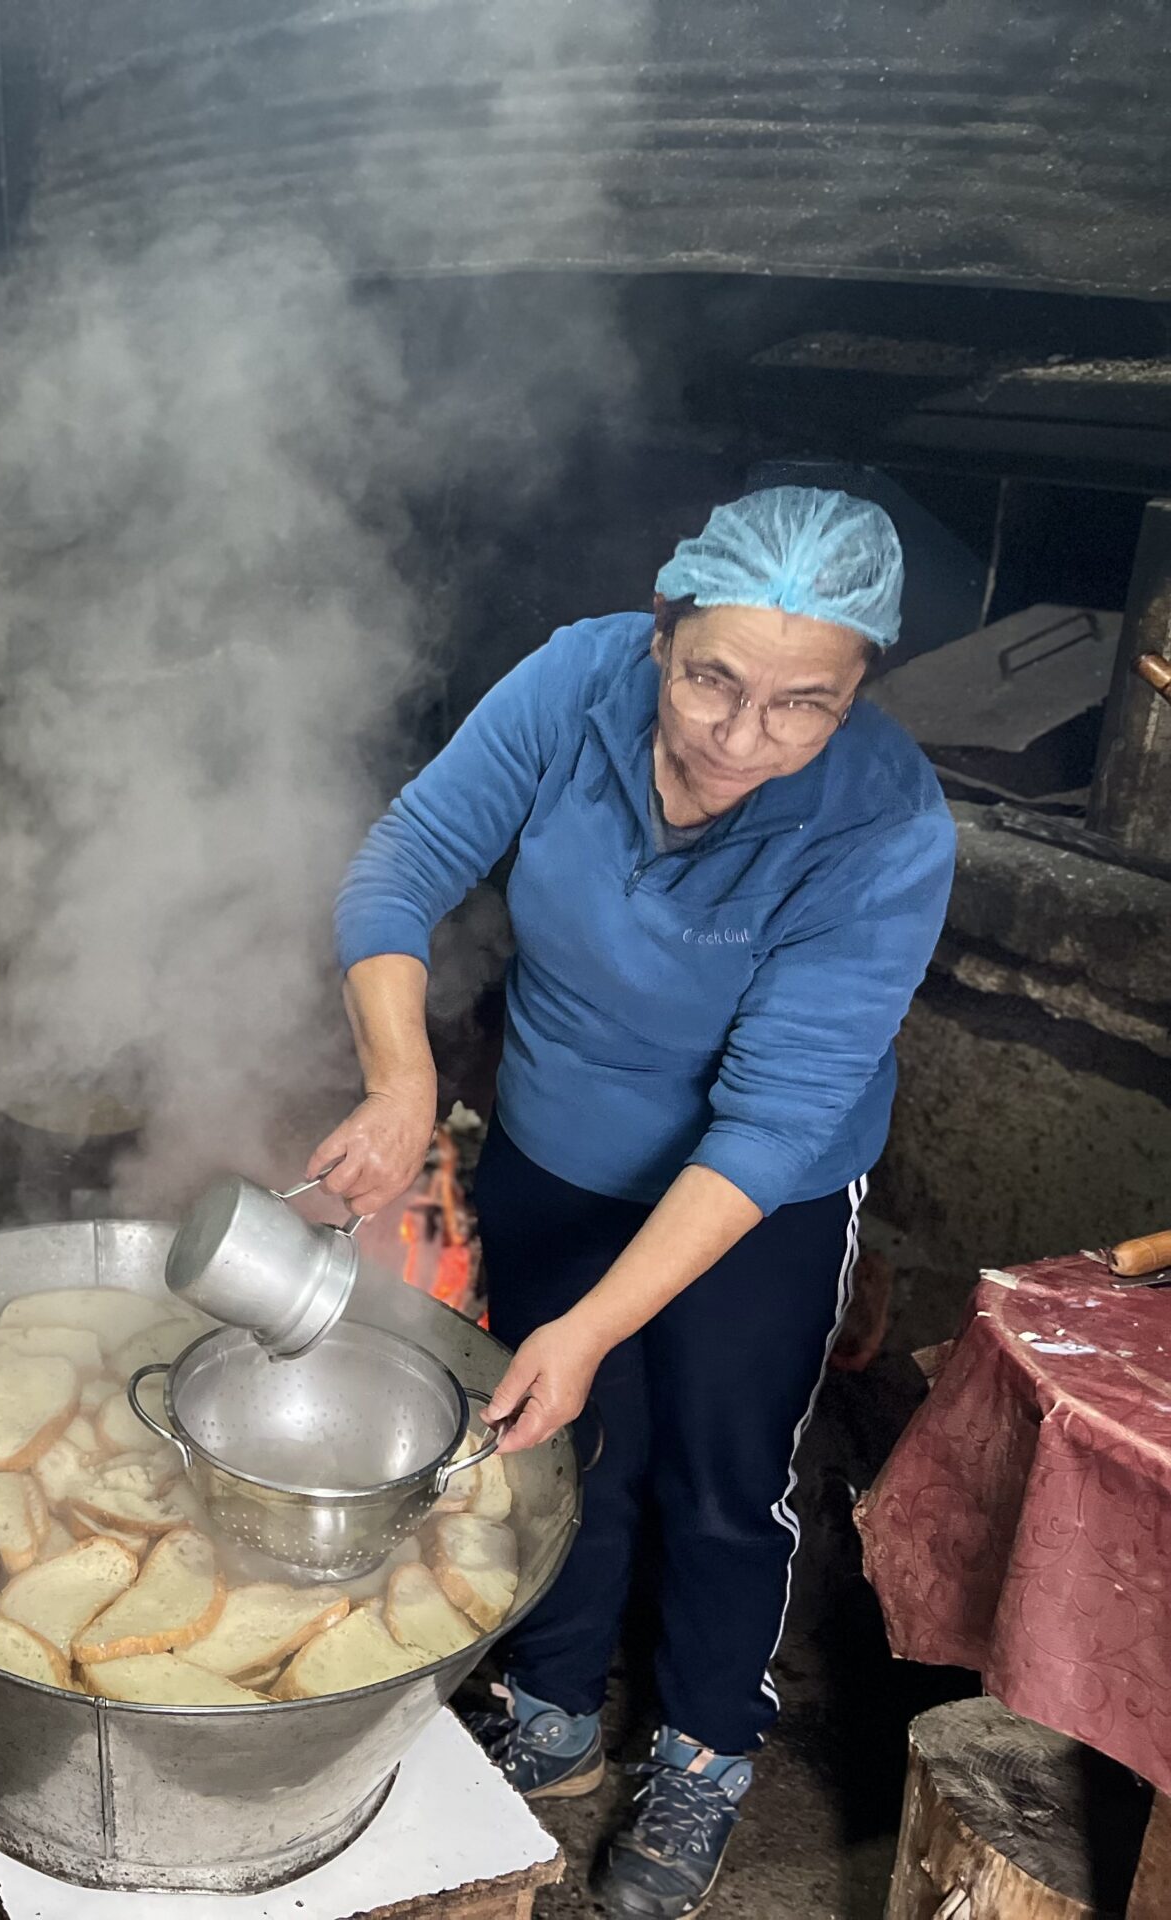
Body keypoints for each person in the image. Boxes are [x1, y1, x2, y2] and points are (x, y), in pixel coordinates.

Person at [310, 488, 954, 1918]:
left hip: (758, 1195)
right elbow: (405, 863)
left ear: (859, 697)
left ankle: (707, 1750)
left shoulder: (885, 826)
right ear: (660, 631)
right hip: (555, 1137)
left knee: (728, 1485)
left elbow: (776, 1117)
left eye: (804, 704)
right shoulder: (573, 683)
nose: (741, 735)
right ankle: (550, 1715)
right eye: (713, 677)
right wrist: (405, 1081)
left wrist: (599, 1318)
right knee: (556, 1443)